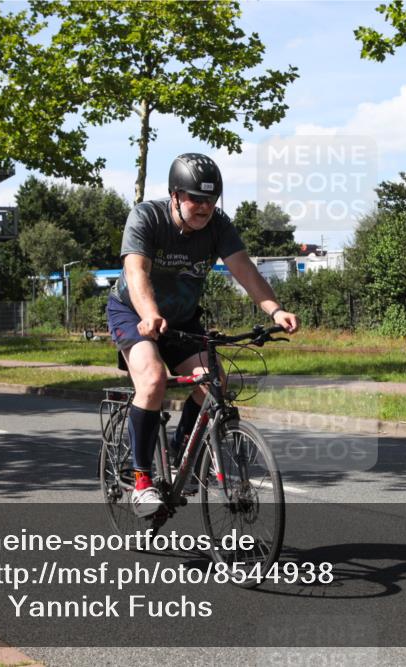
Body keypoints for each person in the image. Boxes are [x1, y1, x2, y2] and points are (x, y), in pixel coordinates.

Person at [107, 153, 300, 517]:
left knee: (215, 383)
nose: (205, 207)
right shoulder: (147, 217)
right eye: (196, 198)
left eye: (212, 200)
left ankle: (183, 455)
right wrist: (149, 315)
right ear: (175, 195)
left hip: (181, 319)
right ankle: (142, 480)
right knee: (152, 381)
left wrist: (275, 309)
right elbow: (137, 273)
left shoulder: (218, 226)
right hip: (133, 312)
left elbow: (244, 270)